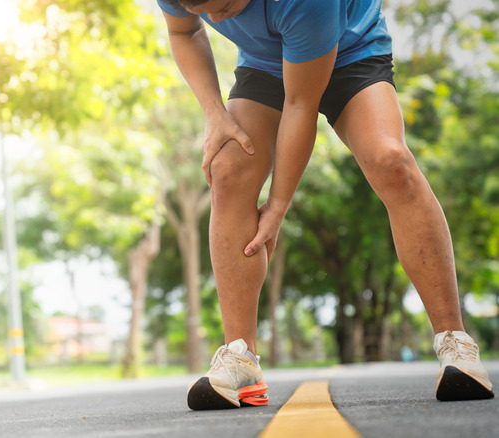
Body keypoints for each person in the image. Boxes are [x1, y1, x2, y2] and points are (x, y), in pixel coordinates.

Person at [155, 0, 495, 410]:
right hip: (267, 63)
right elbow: (184, 31)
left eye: (222, 5)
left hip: (351, 49)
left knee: (392, 163)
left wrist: (277, 208)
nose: (219, 18)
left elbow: (302, 104)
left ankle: (454, 343)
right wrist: (214, 113)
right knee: (228, 171)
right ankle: (240, 357)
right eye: (200, 7)